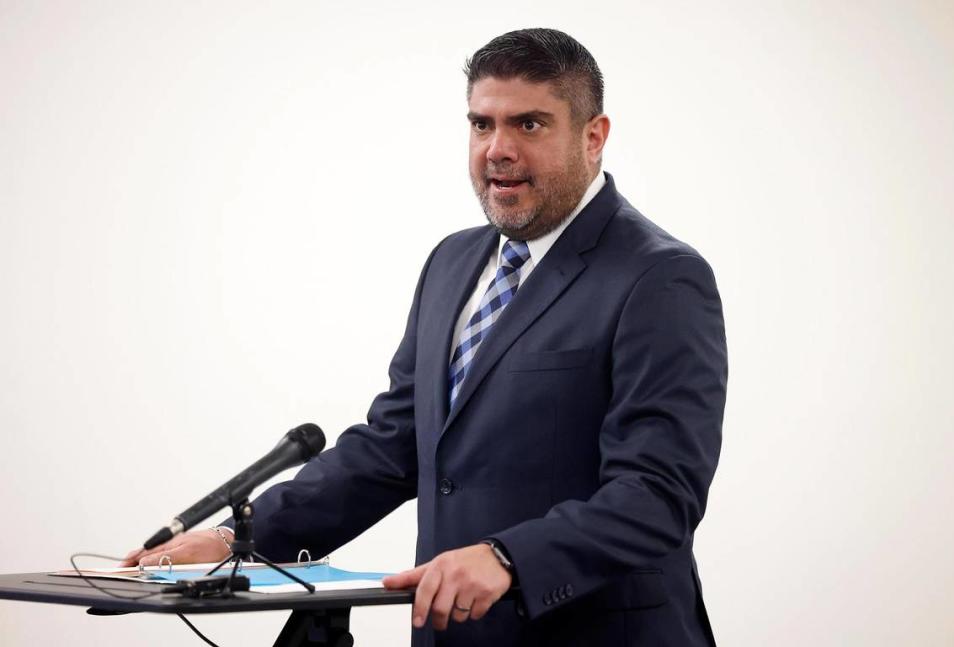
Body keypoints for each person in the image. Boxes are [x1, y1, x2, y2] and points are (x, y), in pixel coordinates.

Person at [123, 28, 727, 647]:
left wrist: (508, 557)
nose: (497, 149)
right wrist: (235, 542)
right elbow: (393, 448)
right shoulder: (452, 262)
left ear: (593, 136)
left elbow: (658, 493)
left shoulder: (660, 277)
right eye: (482, 124)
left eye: (530, 125)